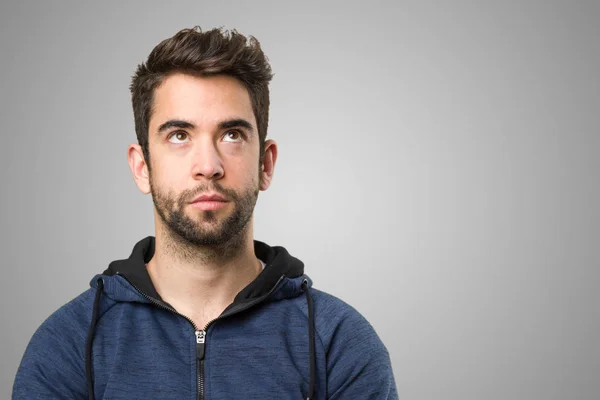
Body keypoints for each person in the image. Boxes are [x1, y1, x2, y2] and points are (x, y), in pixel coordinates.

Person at [12, 26, 398, 400]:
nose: (208, 165)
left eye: (232, 135)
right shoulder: (68, 345)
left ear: (265, 164)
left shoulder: (339, 344)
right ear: (142, 166)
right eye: (179, 135)